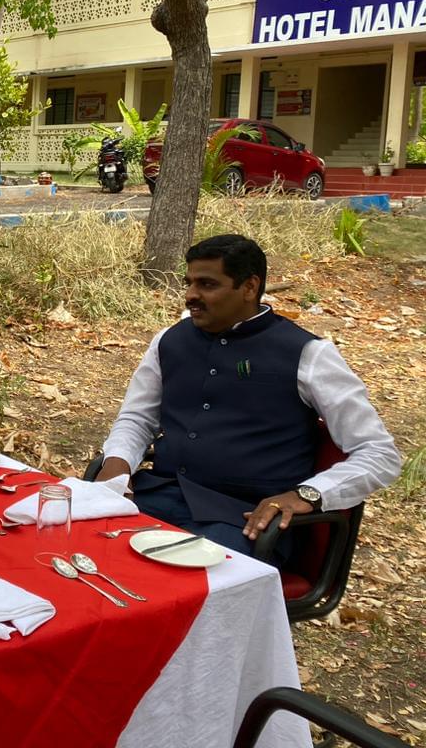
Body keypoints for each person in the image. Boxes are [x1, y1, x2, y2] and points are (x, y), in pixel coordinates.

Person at [96, 234, 400, 563]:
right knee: (68, 545)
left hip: (243, 522)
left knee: (170, 589)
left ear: (250, 287)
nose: (190, 296)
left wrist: (307, 495)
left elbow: (379, 454)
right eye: (189, 283)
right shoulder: (169, 341)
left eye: (207, 284)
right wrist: (116, 464)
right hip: (155, 496)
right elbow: (138, 419)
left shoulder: (308, 355)